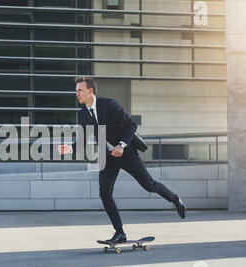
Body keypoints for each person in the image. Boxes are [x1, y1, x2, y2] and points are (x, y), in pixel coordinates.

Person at [58, 76, 186, 244]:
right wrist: (70, 148)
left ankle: (175, 199)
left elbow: (132, 125)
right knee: (104, 193)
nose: (77, 94)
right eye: (76, 91)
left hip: (126, 153)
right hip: (108, 157)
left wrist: (122, 145)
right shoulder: (83, 114)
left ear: (90, 91)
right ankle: (120, 232)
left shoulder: (110, 105)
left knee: (149, 185)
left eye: (80, 90)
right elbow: (82, 139)